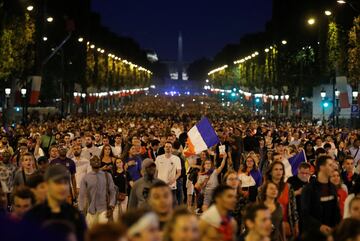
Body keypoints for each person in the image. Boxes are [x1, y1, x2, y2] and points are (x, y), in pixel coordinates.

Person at [23, 165, 86, 241]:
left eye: (65, 182)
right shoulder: (33, 215)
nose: (63, 187)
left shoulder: (75, 215)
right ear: (47, 185)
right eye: (58, 182)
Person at [301, 155, 341, 236]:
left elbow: (336, 210)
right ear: (321, 167)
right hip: (313, 234)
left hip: (331, 233)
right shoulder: (309, 189)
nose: (333, 168)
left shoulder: (333, 187)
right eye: (330, 165)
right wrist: (319, 226)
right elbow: (305, 214)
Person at [78, 156, 116, 228]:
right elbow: (81, 195)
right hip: (91, 210)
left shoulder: (107, 175)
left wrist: (111, 206)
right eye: (93, 160)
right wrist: (80, 210)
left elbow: (112, 191)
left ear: (100, 162)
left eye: (98, 160)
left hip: (104, 209)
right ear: (90, 163)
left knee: (102, 233)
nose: (96, 161)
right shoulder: (86, 177)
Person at [264, 161, 299, 238]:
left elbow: (294, 208)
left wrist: (296, 225)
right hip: (269, 227)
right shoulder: (262, 189)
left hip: (287, 225)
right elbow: (260, 210)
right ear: (270, 172)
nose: (279, 172)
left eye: (281, 169)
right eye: (276, 169)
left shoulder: (288, 187)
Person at [286, 162, 311, 231]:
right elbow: (284, 196)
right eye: (302, 173)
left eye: (307, 173)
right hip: (293, 212)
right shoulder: (291, 180)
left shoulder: (310, 182)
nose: (304, 175)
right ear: (298, 171)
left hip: (305, 214)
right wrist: (297, 192)